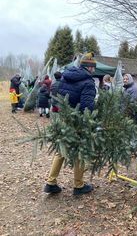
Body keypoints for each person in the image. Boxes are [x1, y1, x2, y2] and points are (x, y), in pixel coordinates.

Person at [44, 52, 97, 195]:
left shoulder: (66, 76)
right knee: (80, 151)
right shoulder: (88, 82)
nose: (94, 69)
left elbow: (59, 96)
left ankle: (50, 182)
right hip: (78, 122)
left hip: (64, 118)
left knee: (61, 150)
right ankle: (78, 185)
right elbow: (87, 107)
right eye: (93, 67)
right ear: (90, 67)